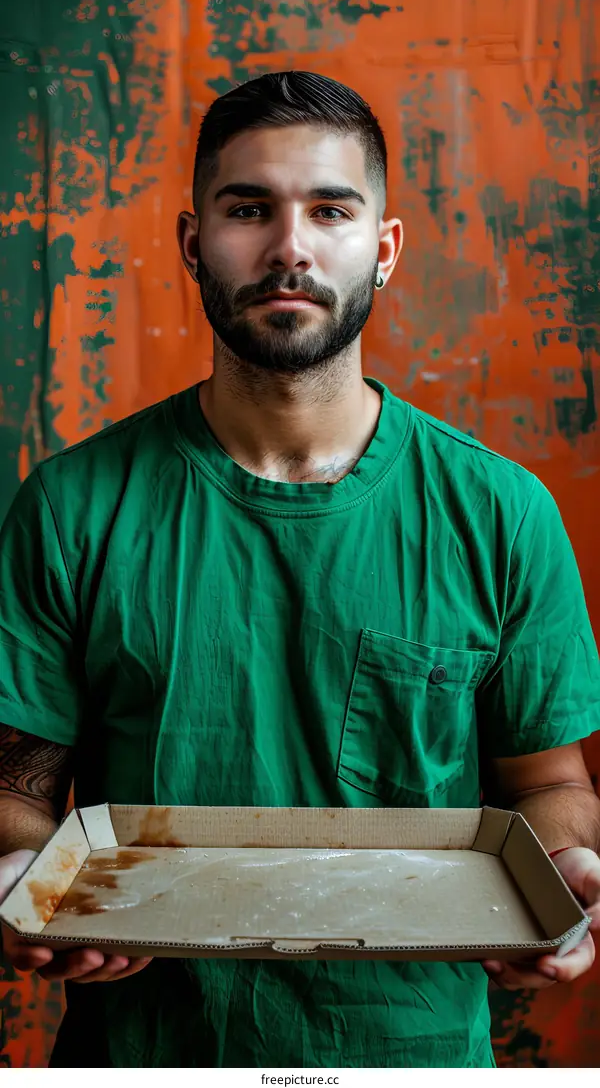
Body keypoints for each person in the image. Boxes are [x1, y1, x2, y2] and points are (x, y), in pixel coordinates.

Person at [1, 71, 600, 1069]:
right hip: (147, 1051)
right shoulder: (72, 508)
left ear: (385, 247)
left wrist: (566, 865)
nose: (290, 247)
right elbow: (19, 782)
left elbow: (550, 780)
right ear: (193, 241)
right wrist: (19, 870)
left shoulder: (501, 511)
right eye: (249, 209)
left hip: (411, 1053)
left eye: (330, 209)